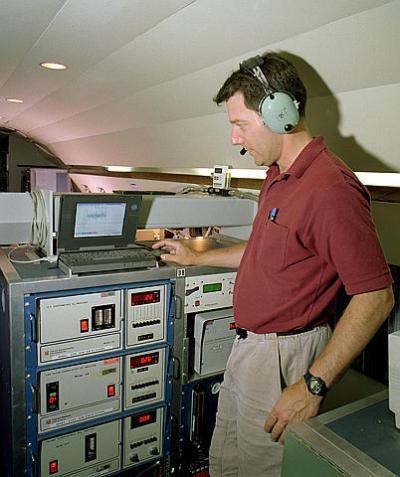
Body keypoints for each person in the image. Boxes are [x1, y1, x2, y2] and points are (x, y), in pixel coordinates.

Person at [153, 52, 394, 477]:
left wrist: (313, 384)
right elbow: (263, 251)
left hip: (286, 360)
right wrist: (199, 254)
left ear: (281, 114)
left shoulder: (330, 189)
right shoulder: (278, 175)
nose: (234, 138)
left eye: (240, 124)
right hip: (252, 351)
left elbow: (375, 294)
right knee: (230, 461)